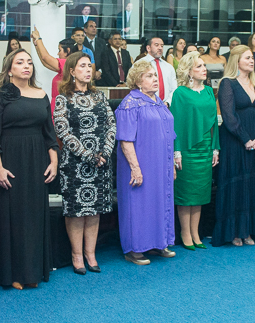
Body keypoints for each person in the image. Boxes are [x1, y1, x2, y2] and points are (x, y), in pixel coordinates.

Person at [0, 50, 59, 288]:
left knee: (34, 216)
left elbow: (49, 133)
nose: (26, 66)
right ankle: (13, 273)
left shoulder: (41, 94)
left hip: (37, 161)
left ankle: (33, 270)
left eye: (29, 62)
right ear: (9, 69)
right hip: (10, 160)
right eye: (20, 62)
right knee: (13, 216)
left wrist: (54, 161)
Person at [54, 52, 116, 273]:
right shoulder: (63, 98)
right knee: (77, 211)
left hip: (101, 162)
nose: (88, 70)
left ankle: (91, 253)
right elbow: (62, 130)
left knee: (94, 210)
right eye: (82, 66)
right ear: (71, 71)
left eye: (90, 66)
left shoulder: (99, 96)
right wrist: (89, 155)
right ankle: (77, 255)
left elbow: (111, 125)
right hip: (76, 164)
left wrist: (106, 152)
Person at [115, 60, 176, 264]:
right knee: (139, 204)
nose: (155, 79)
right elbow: (125, 139)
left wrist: (171, 164)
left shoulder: (157, 101)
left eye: (155, 76)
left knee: (159, 201)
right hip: (141, 163)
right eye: (149, 76)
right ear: (138, 81)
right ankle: (135, 248)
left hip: (160, 164)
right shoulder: (130, 103)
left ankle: (158, 243)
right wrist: (135, 168)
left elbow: (169, 134)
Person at [213, 46, 255, 246]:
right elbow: (229, 117)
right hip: (236, 142)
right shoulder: (227, 84)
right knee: (237, 184)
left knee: (253, 184)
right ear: (236, 61)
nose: (252, 61)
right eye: (247, 58)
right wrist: (246, 138)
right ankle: (235, 232)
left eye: (252, 58)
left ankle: (249, 230)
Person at [171, 51, 219, 249]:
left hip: (206, 147)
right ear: (189, 71)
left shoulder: (209, 91)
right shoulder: (180, 93)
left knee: (199, 194)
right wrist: (177, 151)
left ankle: (196, 233)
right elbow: (177, 125)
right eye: (199, 66)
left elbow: (214, 122)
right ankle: (185, 233)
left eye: (204, 66)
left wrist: (215, 148)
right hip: (187, 149)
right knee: (186, 194)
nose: (204, 69)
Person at [31, 30, 75, 112]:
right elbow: (45, 62)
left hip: (62, 108)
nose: (58, 53)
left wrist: (38, 38)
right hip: (56, 105)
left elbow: (46, 57)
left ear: (68, 51)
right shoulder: (64, 66)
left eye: (60, 50)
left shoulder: (67, 64)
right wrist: (36, 45)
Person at [145, 36, 177, 104]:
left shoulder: (168, 67)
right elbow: (136, 88)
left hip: (166, 106)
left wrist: (167, 102)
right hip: (146, 105)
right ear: (148, 48)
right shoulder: (139, 65)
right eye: (156, 45)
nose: (160, 48)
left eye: (162, 46)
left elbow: (174, 88)